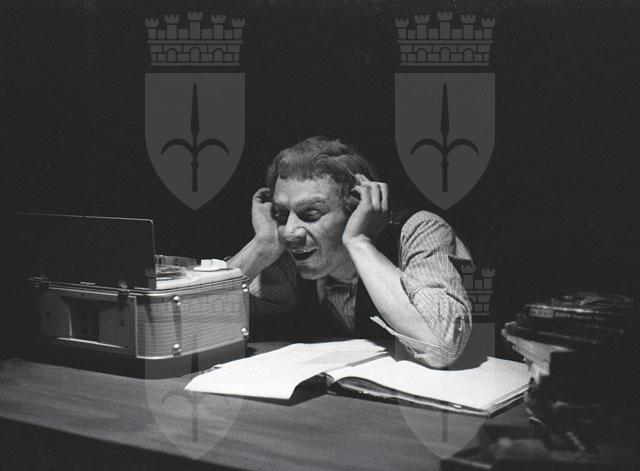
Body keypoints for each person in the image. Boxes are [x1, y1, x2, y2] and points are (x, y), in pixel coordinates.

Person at [227, 136, 472, 368]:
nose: (290, 232)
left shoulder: (419, 231)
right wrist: (261, 247)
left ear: (355, 209)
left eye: (310, 214)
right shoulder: (287, 255)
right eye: (281, 214)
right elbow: (204, 323)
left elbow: (441, 346)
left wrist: (360, 242)